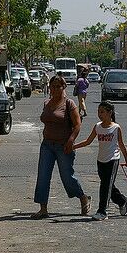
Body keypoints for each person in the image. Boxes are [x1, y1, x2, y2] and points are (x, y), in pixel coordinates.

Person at [32, 75, 91, 220]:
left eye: (58, 86)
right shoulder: (47, 103)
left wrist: (71, 141)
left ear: (63, 87)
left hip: (63, 146)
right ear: (50, 88)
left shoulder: (69, 104)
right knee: (43, 176)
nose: (55, 89)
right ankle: (43, 208)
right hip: (47, 145)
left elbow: (77, 125)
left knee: (67, 177)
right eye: (53, 86)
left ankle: (83, 197)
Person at [73, 101, 127, 221]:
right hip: (101, 160)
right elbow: (88, 141)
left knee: (105, 185)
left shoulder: (116, 128)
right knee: (109, 185)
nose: (100, 114)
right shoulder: (98, 126)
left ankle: (102, 211)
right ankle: (122, 200)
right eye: (98, 112)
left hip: (113, 159)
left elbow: (121, 145)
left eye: (102, 112)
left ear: (110, 113)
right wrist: (73, 147)